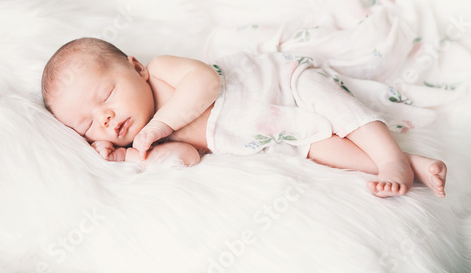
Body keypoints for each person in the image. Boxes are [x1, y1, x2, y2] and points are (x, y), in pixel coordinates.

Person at [41, 37, 447, 198]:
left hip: (282, 80)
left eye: (105, 95)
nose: (106, 118)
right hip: (275, 130)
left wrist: (160, 125)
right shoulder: (150, 143)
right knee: (319, 148)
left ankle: (390, 156)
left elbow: (206, 84)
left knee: (341, 110)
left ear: (135, 67)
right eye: (87, 124)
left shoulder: (163, 69)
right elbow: (185, 159)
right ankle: (413, 166)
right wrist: (125, 158)